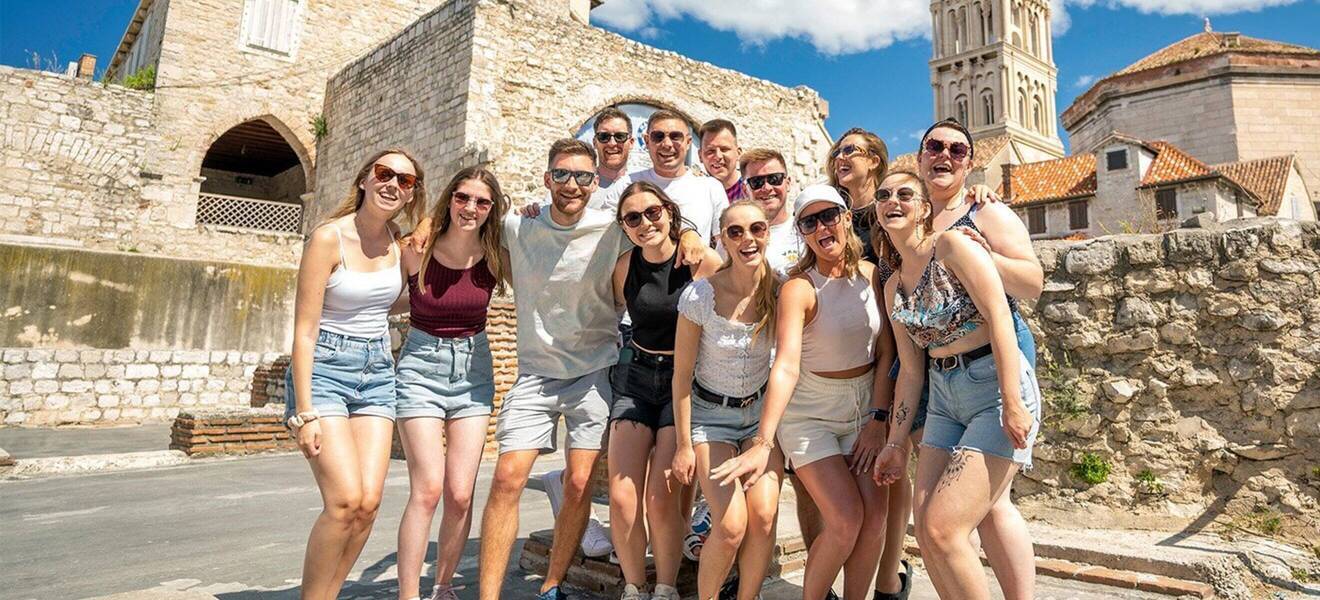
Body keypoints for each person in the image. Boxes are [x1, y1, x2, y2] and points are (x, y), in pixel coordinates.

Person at [871, 120, 1043, 600]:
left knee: (947, 527)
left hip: (993, 380)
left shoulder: (963, 233)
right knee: (928, 532)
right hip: (943, 394)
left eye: (903, 197)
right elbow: (910, 369)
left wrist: (1012, 399)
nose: (893, 203)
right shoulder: (891, 284)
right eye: (884, 198)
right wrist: (895, 441)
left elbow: (1005, 313)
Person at [713, 184, 890, 600]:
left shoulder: (871, 275)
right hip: (810, 414)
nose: (822, 226)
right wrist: (763, 441)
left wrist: (879, 420)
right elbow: (786, 365)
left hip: (865, 408)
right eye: (810, 221)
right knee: (845, 519)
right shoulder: (799, 289)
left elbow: (885, 354)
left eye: (830, 215)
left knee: (876, 519)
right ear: (801, 231)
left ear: (847, 218)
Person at [476, 139, 629, 600]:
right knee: (507, 479)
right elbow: (457, 220)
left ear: (595, 181)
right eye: (562, 174)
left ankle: (552, 585)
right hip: (536, 374)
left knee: (580, 482)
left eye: (583, 176)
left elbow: (667, 230)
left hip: (594, 372)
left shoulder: (613, 229)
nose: (572, 185)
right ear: (547, 179)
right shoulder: (517, 226)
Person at [284, 149, 425, 600]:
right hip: (323, 368)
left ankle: (329, 592)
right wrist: (304, 412)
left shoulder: (397, 244)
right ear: (365, 179)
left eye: (405, 181)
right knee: (343, 500)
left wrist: (425, 280)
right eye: (385, 174)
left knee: (367, 505)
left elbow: (392, 303)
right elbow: (304, 330)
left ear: (410, 194)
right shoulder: (328, 238)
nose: (393, 185)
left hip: (378, 371)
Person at [393, 167, 508, 600]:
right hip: (420, 368)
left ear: (491, 209)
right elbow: (385, 295)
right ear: (449, 199)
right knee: (427, 489)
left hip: (473, 372)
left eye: (481, 202)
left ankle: (443, 587)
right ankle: (408, 596)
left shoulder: (497, 253)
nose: (470, 208)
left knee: (460, 494)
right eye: (462, 198)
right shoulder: (415, 250)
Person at [608, 182, 722, 600]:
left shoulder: (699, 260)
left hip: (685, 380)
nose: (644, 223)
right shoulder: (624, 266)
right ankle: (635, 587)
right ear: (624, 225)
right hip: (636, 375)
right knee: (622, 497)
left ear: (670, 213)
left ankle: (666, 588)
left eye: (652, 212)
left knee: (661, 497)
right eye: (632, 218)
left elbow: (729, 310)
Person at [672, 200, 785, 600]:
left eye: (756, 228)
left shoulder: (781, 288)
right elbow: (682, 375)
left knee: (765, 515)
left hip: (759, 419)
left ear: (768, 232)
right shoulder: (700, 296)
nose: (747, 239)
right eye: (735, 232)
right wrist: (684, 445)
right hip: (710, 418)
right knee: (732, 523)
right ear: (722, 240)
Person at [599, 109, 730, 244]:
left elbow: (725, 243)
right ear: (647, 141)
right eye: (658, 137)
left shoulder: (710, 187)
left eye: (675, 136)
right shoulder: (626, 185)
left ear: (688, 142)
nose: (667, 144)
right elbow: (604, 238)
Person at [739, 148, 800, 279]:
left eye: (774, 179)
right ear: (745, 190)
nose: (766, 188)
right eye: (757, 182)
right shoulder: (733, 235)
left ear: (788, 183)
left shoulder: (807, 230)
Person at [699, 119, 745, 202]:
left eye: (724, 149)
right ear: (700, 156)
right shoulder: (696, 194)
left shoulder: (752, 192)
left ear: (738, 153)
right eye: (710, 151)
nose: (718, 156)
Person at [593, 107, 635, 189]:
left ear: (631, 142)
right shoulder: (583, 187)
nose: (612, 143)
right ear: (595, 143)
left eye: (620, 136)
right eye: (604, 136)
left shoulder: (644, 184)